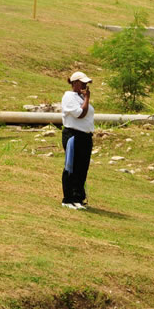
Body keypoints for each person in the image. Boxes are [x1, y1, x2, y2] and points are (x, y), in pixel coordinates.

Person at [61, 71, 95, 210]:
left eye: (86, 83)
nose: (85, 86)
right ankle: (68, 199)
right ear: (74, 83)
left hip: (85, 136)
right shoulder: (69, 97)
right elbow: (80, 114)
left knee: (82, 168)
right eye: (82, 83)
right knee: (72, 167)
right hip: (73, 135)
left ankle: (78, 198)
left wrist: (85, 98)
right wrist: (87, 99)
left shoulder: (80, 97)